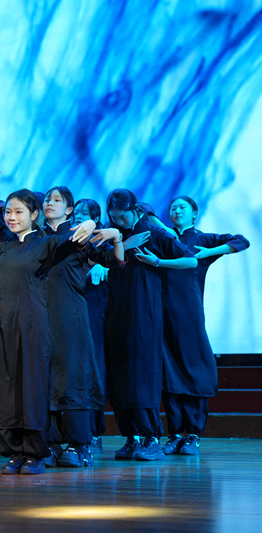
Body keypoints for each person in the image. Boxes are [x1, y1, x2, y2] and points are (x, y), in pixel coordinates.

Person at [0, 161, 96, 475]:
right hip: (2, 323)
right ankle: (13, 450)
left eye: (18, 212)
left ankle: (35, 453)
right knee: (4, 387)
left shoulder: (45, 243)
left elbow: (81, 233)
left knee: (31, 388)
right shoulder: (2, 240)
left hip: (33, 325)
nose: (11, 217)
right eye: (9, 212)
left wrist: (90, 223)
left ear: (33, 215)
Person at [103, 189, 197, 462]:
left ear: (135, 210)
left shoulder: (153, 231)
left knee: (141, 372)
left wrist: (158, 261)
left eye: (123, 216)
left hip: (144, 312)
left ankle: (150, 437)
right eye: (114, 216)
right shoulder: (113, 233)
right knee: (119, 372)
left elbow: (190, 259)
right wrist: (123, 243)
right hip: (116, 310)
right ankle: (130, 437)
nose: (118, 220)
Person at [159, 196, 250, 455]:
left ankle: (193, 434)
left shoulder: (201, 239)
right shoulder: (163, 238)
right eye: (173, 208)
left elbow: (242, 240)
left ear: (194, 214)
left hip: (189, 313)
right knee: (169, 372)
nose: (177, 211)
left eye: (182, 208)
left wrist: (209, 252)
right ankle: (175, 433)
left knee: (195, 368)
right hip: (161, 314)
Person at [42, 188, 124, 468]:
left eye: (57, 200)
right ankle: (50, 442)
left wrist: (116, 236)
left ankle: (78, 444)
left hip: (71, 314)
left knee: (74, 375)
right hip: (40, 313)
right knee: (46, 378)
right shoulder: (37, 236)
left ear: (69, 209)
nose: (49, 203)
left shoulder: (79, 234)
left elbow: (114, 260)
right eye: (47, 199)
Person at [72, 198, 110, 453]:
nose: (79, 217)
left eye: (84, 213)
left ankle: (95, 431)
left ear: (96, 218)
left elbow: (116, 260)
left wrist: (101, 264)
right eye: (76, 212)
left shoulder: (101, 240)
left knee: (93, 366)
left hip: (93, 308)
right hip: (71, 308)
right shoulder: (68, 238)